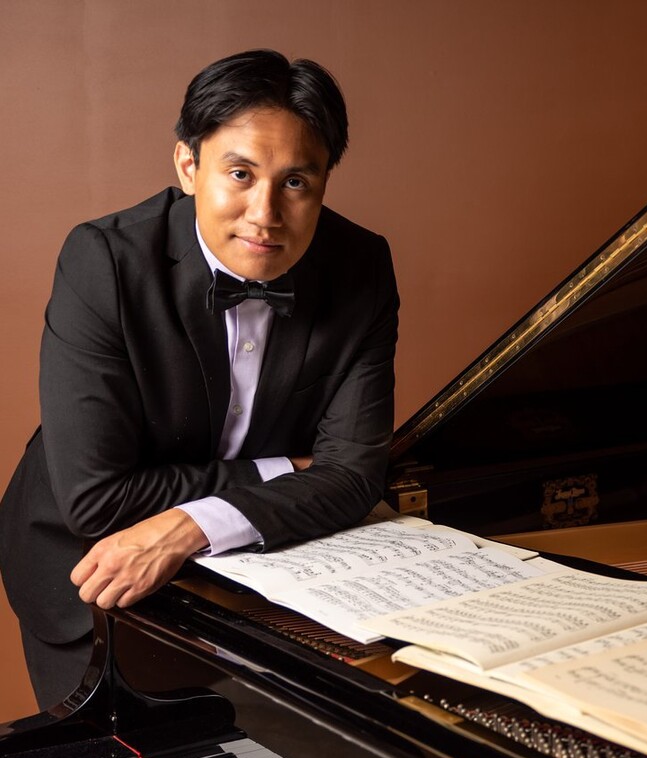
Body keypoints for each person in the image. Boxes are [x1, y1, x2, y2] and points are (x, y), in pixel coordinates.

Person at [0, 49, 400, 709]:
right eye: (240, 174)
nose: (266, 213)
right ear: (188, 166)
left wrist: (191, 525)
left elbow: (356, 475)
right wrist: (285, 469)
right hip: (90, 571)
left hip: (255, 565)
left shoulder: (362, 266)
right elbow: (97, 500)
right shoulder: (104, 262)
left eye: (296, 182)